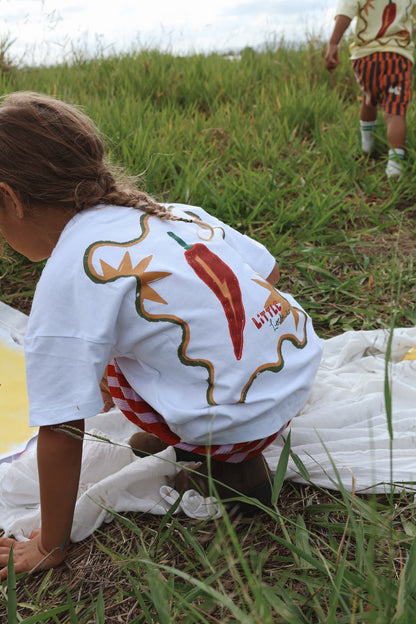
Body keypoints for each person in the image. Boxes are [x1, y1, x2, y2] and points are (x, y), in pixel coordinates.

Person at [0, 91, 322, 579]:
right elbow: (268, 272)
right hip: (294, 369)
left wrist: (50, 542)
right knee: (131, 334)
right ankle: (211, 431)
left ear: (9, 198)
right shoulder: (166, 211)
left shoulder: (71, 275)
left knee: (98, 357)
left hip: (239, 420)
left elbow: (62, 425)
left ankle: (229, 464)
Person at [325, 0, 416, 178]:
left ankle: (367, 146)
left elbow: (346, 12)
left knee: (369, 98)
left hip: (366, 58)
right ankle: (395, 165)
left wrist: (333, 43)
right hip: (398, 57)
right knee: (395, 111)